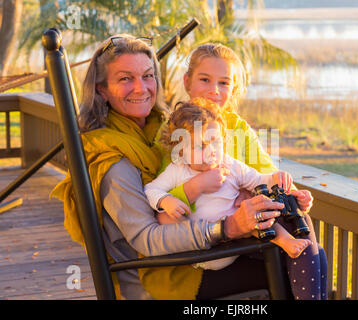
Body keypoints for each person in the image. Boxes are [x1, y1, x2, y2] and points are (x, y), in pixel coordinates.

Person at [50, 34, 295, 300]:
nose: (140, 88)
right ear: (101, 89)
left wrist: (242, 189)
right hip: (164, 275)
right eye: (125, 78)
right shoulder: (113, 161)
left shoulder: (163, 130)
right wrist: (226, 228)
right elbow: (148, 239)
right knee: (282, 267)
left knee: (295, 248)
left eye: (147, 75)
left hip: (196, 252)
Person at [177, 43, 328, 300]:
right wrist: (201, 185)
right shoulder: (178, 126)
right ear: (187, 81)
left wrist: (292, 191)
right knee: (309, 254)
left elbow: (267, 172)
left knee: (306, 238)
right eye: (205, 80)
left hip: (251, 229)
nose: (214, 90)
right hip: (209, 234)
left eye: (224, 83)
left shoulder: (238, 127)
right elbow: (165, 190)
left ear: (233, 89)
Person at [144, 98, 312, 271]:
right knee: (168, 220)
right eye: (201, 146)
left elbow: (258, 180)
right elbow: (151, 189)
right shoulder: (177, 170)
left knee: (260, 217)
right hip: (200, 248)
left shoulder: (230, 165)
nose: (211, 151)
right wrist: (165, 201)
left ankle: (287, 241)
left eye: (216, 142)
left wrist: (276, 178)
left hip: (236, 240)